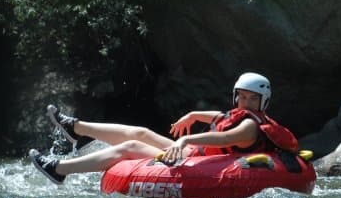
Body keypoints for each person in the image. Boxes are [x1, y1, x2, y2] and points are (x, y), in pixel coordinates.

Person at [29, 72, 298, 185]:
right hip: (196, 153)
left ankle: (59, 169)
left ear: (263, 102)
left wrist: (185, 140)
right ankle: (77, 128)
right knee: (141, 132)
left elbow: (225, 136)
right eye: (241, 96)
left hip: (197, 160)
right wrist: (192, 114)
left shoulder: (250, 127)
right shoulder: (241, 113)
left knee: (131, 147)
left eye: (252, 98)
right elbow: (219, 116)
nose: (245, 102)